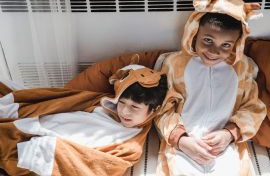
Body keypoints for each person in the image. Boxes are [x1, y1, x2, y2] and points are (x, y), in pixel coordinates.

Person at [154, 0, 267, 175]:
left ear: (237, 43)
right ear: (195, 33)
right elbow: (162, 107)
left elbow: (253, 109)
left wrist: (229, 134)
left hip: (225, 146)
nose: (214, 51)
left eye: (226, 45)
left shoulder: (242, 68)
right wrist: (181, 139)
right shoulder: (175, 64)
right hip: (184, 144)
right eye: (208, 40)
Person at [0, 64, 168, 176]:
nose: (124, 111)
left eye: (134, 108)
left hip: (48, 143)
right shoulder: (102, 102)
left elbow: (98, 167)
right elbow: (63, 101)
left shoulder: (131, 147)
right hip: (41, 121)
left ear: (154, 110)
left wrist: (52, 148)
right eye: (122, 103)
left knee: (9, 142)